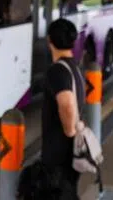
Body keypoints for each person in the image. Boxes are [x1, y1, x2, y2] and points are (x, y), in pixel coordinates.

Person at [40, 18, 85, 199]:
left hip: (59, 154)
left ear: (50, 40)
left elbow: (66, 104)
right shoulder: (73, 66)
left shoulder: (57, 71)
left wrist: (69, 134)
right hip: (69, 154)